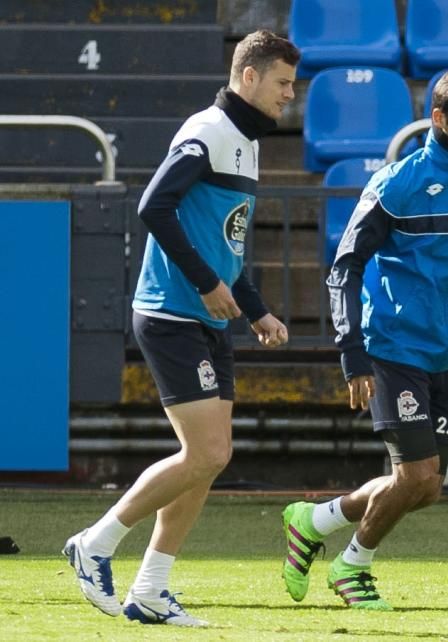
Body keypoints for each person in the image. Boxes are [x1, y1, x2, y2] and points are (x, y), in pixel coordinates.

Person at [62, 30, 299, 627]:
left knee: (210, 457)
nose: (289, 96)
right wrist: (205, 285)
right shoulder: (208, 131)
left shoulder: (246, 142)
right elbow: (153, 206)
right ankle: (94, 543)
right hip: (172, 314)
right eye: (282, 83)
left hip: (207, 317)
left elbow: (227, 246)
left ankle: (151, 589)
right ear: (249, 77)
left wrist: (254, 307)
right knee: (209, 450)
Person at [279, 71, 448, 611]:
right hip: (393, 347)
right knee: (414, 474)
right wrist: (352, 352)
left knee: (426, 488)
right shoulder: (396, 184)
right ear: (438, 119)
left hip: (446, 353)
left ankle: (312, 520)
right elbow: (345, 268)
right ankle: (352, 567)